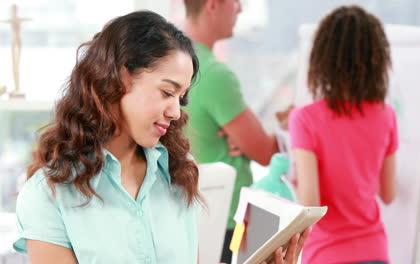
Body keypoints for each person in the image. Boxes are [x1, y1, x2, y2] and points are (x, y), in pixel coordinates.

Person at [12, 10, 309, 264]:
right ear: (120, 76)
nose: (176, 112)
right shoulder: (50, 193)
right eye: (167, 92)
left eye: (180, 97)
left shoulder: (178, 173)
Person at [289, 5, 398, 264]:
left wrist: (293, 180)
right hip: (375, 251)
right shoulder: (386, 115)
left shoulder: (305, 119)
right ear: (377, 58)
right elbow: (388, 194)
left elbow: (311, 206)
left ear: (322, 58)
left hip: (327, 254)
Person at [182, 1, 284, 262]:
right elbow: (266, 152)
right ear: (213, 5)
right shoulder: (214, 75)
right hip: (227, 222)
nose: (239, 9)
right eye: (235, 2)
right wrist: (290, 124)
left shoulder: (168, 61)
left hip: (190, 217)